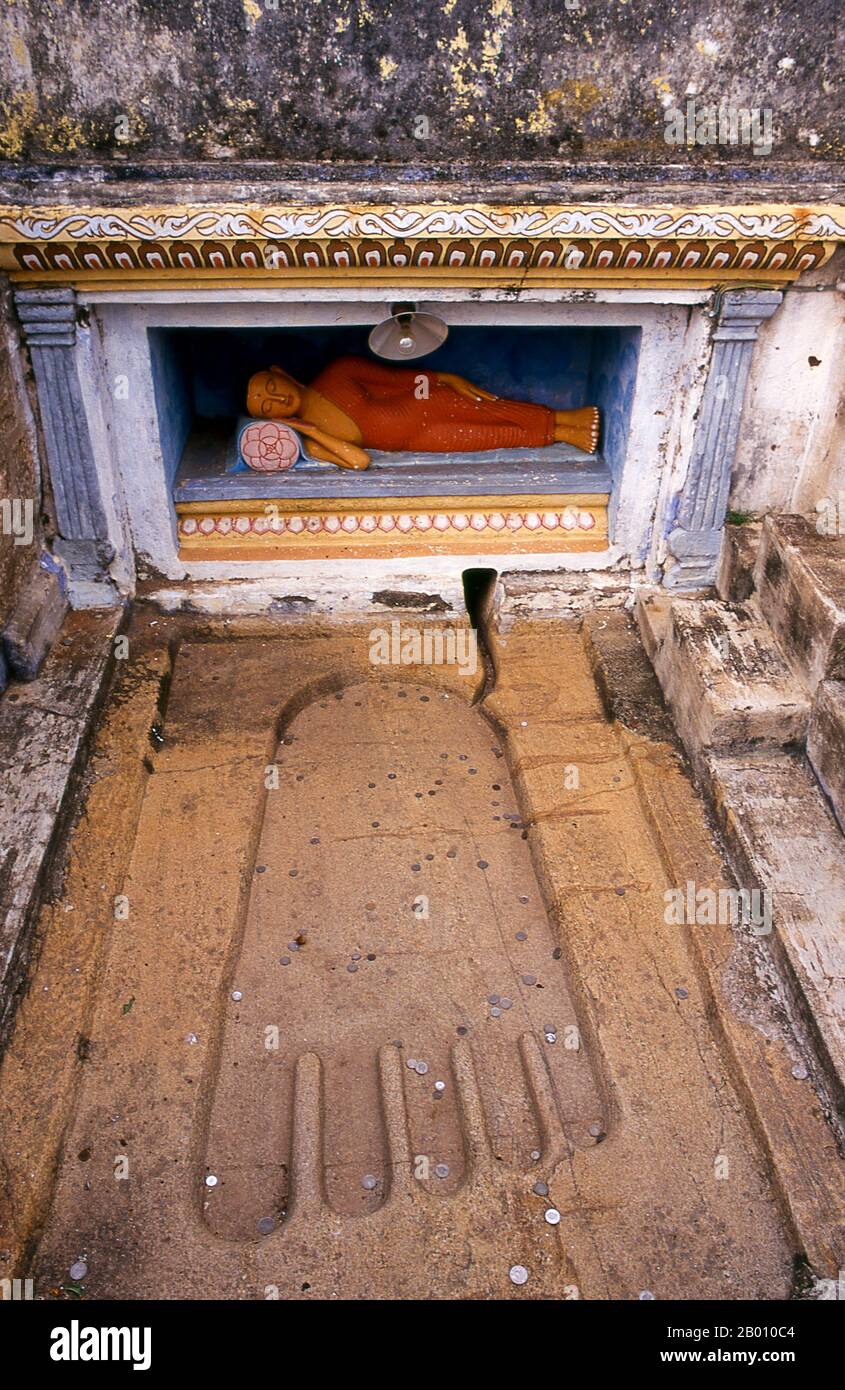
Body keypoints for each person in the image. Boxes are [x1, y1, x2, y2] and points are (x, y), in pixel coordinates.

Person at [245, 355, 600, 471]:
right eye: (266, 407)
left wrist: (442, 380)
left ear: (282, 373)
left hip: (423, 400)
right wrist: (311, 431)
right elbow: (359, 462)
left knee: (491, 409)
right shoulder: (314, 439)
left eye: (271, 388)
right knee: (491, 436)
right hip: (416, 439)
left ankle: (569, 416)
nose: (276, 400)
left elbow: (396, 379)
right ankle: (565, 433)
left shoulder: (337, 372)